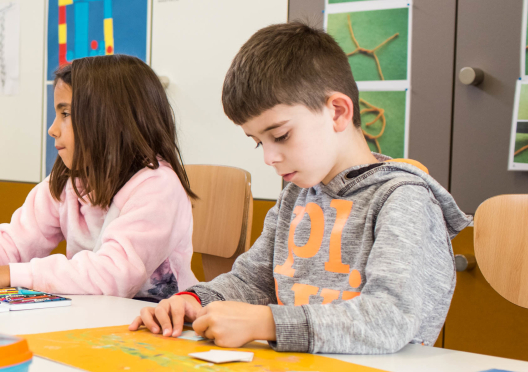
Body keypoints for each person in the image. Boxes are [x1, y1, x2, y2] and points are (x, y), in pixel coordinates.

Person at [129, 22, 472, 354]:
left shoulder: (402, 198)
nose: (269, 157)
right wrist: (193, 301)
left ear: (337, 111)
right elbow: (253, 282)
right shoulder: (297, 194)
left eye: (280, 136)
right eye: (257, 142)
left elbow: (390, 319)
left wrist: (270, 323)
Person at [0, 54, 199, 302]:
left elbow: (113, 273)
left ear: (110, 120)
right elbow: (13, 242)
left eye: (65, 114)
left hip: (160, 329)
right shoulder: (68, 182)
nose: (52, 129)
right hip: (97, 320)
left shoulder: (158, 187)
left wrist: (7, 274)